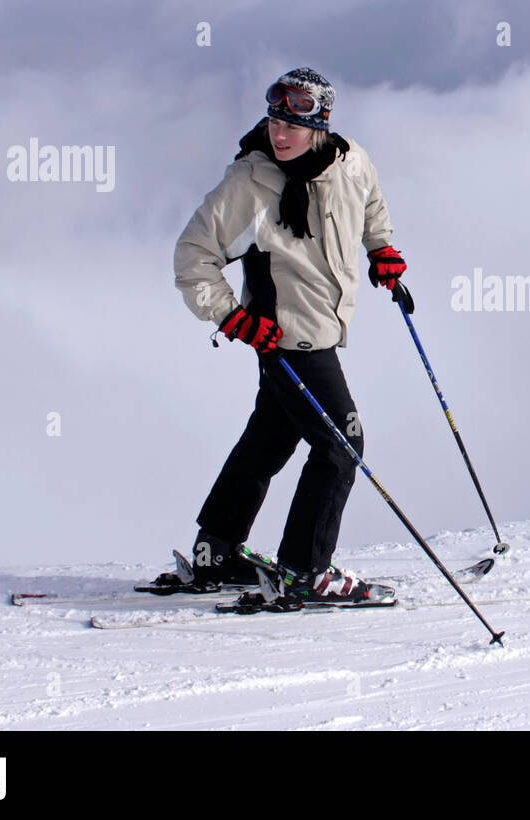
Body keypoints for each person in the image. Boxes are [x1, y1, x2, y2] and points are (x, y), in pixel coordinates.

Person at [172, 66, 407, 603]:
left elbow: (370, 203)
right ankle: (305, 570)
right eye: (274, 120)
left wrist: (382, 249)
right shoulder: (249, 185)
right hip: (285, 338)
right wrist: (230, 316)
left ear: (320, 123)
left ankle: (217, 550)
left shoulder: (349, 161)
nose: (279, 133)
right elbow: (192, 257)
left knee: (270, 439)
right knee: (342, 444)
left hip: (321, 325)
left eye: (292, 125)